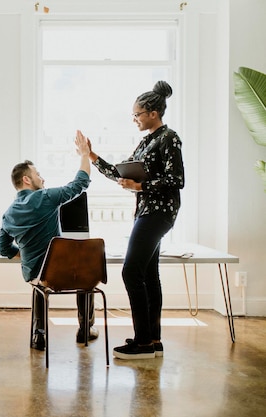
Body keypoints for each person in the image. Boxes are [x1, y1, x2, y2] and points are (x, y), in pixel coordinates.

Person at [84, 80, 185, 360]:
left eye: (137, 114)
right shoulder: (146, 142)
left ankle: (141, 343)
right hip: (147, 212)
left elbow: (176, 180)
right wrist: (91, 155)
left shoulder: (169, 138)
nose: (134, 119)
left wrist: (141, 187)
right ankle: (152, 340)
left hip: (159, 212)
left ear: (153, 113)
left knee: (131, 271)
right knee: (149, 274)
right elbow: (120, 173)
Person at [0, 131, 97, 351]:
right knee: (84, 275)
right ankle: (85, 328)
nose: (42, 178)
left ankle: (39, 334)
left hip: (39, 276)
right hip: (64, 274)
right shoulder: (45, 197)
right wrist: (84, 154)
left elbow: (3, 248)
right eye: (38, 174)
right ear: (26, 179)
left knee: (39, 283)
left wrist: (27, 252)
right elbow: (80, 184)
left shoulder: (7, 214)